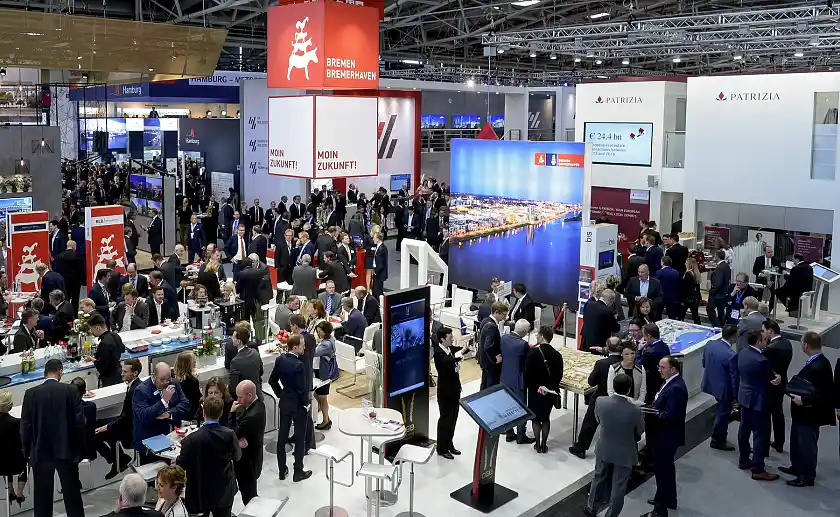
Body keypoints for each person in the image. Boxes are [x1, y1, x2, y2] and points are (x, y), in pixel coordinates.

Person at [20, 359, 85, 517]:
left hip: (40, 452)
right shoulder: (71, 391)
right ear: (60, 371)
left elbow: (25, 427)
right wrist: (78, 451)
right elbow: (79, 424)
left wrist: (28, 452)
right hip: (66, 451)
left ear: (45, 373)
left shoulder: (31, 394)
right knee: (72, 497)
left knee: (42, 499)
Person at [779, 331, 835, 487]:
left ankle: (807, 476)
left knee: (806, 445)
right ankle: (797, 467)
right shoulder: (818, 362)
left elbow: (823, 394)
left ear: (805, 345)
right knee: (797, 442)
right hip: (802, 414)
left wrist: (802, 400)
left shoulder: (819, 366)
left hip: (809, 414)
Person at [583, 373, 645, 517]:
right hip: (625, 453)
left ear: (613, 386)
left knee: (598, 477)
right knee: (619, 486)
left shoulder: (600, 401)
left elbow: (598, 419)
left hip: (604, 448)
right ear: (629, 389)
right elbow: (640, 430)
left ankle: (591, 507)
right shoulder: (635, 410)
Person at [176, 396, 242, 517]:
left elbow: (181, 465)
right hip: (223, 491)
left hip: (199, 492)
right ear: (221, 413)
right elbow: (237, 456)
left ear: (203, 412)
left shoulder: (189, 440)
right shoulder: (229, 435)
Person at [641, 356, 688, 517]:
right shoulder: (670, 382)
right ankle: (669, 500)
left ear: (673, 369)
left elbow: (671, 415)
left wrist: (651, 413)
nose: (659, 370)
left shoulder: (676, 388)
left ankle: (659, 510)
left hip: (665, 437)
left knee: (662, 474)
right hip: (664, 436)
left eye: (662, 368)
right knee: (667, 470)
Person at [737, 329, 782, 481]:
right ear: (758, 342)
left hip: (744, 397)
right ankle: (758, 469)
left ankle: (744, 459)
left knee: (744, 429)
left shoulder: (743, 353)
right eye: (763, 339)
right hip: (759, 401)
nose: (766, 341)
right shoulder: (762, 360)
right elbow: (772, 379)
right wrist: (777, 377)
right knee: (760, 435)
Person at [270, 334, 314, 482]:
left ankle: (282, 470)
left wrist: (281, 394)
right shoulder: (298, 365)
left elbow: (272, 381)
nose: (304, 347)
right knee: (300, 438)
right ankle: (298, 471)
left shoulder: (280, 360)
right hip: (298, 406)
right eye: (302, 345)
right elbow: (301, 389)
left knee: (282, 437)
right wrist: (306, 404)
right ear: (295, 347)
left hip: (285, 403)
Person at [569, 337, 622, 459]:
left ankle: (581, 448)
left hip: (601, 397)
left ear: (607, 347)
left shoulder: (601, 364)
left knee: (589, 423)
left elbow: (591, 382)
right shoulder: (624, 362)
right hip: (619, 398)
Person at [133, 362, 191, 464]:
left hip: (173, 438)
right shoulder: (141, 390)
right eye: (162, 379)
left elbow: (185, 405)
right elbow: (143, 416)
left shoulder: (174, 383)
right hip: (150, 442)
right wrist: (163, 401)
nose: (166, 382)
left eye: (168, 379)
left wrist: (169, 414)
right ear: (153, 376)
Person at [95, 359, 142, 479]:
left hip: (130, 429)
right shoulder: (135, 386)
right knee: (98, 424)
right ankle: (120, 459)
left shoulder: (134, 391)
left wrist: (108, 426)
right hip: (126, 422)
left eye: (125, 371)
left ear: (135, 373)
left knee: (95, 433)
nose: (121, 373)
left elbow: (127, 418)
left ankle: (116, 459)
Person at [524, 326, 564, 453]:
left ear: (541, 336)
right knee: (546, 418)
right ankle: (544, 444)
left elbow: (528, 375)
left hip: (535, 392)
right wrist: (549, 387)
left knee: (536, 419)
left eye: (538, 335)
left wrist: (537, 387)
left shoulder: (533, 353)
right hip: (549, 392)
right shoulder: (557, 355)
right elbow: (559, 375)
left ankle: (537, 444)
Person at [701, 324, 739, 451]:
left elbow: (704, 363)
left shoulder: (710, 344)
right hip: (724, 390)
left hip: (710, 384)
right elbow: (734, 380)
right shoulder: (731, 356)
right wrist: (736, 397)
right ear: (733, 337)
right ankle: (718, 441)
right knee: (723, 415)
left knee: (721, 412)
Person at [231, 380, 266, 505]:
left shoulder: (252, 415)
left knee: (249, 496)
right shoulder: (259, 404)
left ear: (250, 395)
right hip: (253, 458)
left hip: (247, 463)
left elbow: (233, 433)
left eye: (240, 397)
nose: (238, 401)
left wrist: (232, 413)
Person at [500, 319, 535, 444]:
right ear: (525, 331)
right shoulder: (523, 345)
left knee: (506, 407)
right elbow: (528, 362)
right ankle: (521, 435)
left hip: (505, 377)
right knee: (521, 408)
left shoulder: (504, 339)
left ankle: (509, 433)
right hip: (518, 380)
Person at [761, 319, 793, 453]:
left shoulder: (769, 349)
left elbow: (764, 368)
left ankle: (764, 446)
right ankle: (779, 443)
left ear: (770, 331)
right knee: (778, 414)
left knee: (766, 417)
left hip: (770, 387)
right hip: (782, 384)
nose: (762, 334)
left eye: (763, 331)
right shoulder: (787, 343)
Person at [433, 327, 463, 459]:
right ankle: (442, 448)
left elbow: (458, 351)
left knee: (453, 419)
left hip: (455, 390)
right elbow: (447, 362)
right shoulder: (438, 354)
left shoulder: (449, 349)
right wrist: (459, 356)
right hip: (445, 393)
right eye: (450, 337)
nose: (452, 339)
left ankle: (449, 443)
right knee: (445, 421)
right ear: (442, 339)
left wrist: (465, 348)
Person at [0, 391, 27, 507]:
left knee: (4, 458)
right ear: (9, 405)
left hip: (1, 464)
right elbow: (22, 443)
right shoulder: (16, 423)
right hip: (16, 464)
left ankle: (10, 490)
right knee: (24, 459)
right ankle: (20, 493)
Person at [86, 313, 125, 387]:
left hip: (109, 379)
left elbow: (101, 367)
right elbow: (122, 349)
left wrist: (91, 358)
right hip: (119, 372)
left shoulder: (103, 344)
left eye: (91, 329)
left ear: (98, 328)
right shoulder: (115, 335)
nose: (91, 331)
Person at [228, 325, 264, 400]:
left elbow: (233, 388)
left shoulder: (235, 361)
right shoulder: (255, 352)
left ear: (239, 341)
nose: (231, 338)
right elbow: (261, 372)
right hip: (258, 396)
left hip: (245, 400)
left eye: (233, 337)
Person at [637, 323, 670, 404]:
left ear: (648, 336)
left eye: (644, 336)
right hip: (663, 379)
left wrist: (639, 351)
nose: (643, 338)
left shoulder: (650, 352)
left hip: (652, 381)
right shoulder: (664, 346)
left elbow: (638, 364)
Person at [313, 320, 338, 430]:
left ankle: (326, 421)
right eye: (317, 331)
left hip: (323, 373)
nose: (318, 334)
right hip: (323, 372)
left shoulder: (326, 344)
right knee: (319, 396)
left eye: (320, 331)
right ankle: (325, 418)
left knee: (322, 398)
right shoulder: (331, 339)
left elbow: (314, 353)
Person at [478, 302, 507, 389]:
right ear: (497, 312)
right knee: (491, 387)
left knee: (484, 385)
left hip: (484, 360)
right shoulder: (492, 327)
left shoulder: (485, 320)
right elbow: (488, 346)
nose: (505, 317)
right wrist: (494, 359)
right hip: (490, 364)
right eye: (504, 315)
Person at [580, 289, 620, 353]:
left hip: (585, 342)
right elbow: (616, 328)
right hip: (599, 346)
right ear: (610, 299)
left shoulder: (589, 305)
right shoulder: (607, 312)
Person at [70, 377, 97, 461]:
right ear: (85, 392)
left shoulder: (66, 408)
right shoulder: (91, 406)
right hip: (88, 450)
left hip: (71, 452)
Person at [705, 249, 732, 327]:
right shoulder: (726, 266)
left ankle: (716, 325)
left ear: (717, 256)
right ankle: (722, 326)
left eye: (715, 256)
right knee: (721, 311)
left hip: (717, 294)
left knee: (710, 309)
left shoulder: (720, 268)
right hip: (723, 292)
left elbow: (718, 283)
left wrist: (712, 291)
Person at [56, 240, 83, 312]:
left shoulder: (59, 256)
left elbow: (57, 269)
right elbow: (81, 270)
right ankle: (74, 314)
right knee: (75, 299)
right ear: (74, 246)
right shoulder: (77, 256)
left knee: (64, 299)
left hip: (63, 281)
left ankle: (65, 313)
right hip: (75, 282)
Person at [175, 352, 202, 421]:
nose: (195, 362)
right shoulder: (192, 381)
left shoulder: (175, 380)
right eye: (193, 361)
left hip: (180, 413)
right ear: (187, 364)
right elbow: (197, 399)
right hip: (192, 414)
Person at [677, 256, 702, 324]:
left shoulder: (687, 274)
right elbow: (697, 288)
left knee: (681, 315)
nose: (685, 263)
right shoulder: (697, 274)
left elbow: (685, 288)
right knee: (695, 316)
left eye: (686, 262)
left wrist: (682, 299)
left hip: (687, 299)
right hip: (694, 298)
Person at [371, 231, 388, 297]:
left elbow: (381, 263)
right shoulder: (379, 247)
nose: (373, 239)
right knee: (375, 290)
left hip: (378, 273)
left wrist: (376, 271)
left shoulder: (381, 249)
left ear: (378, 239)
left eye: (374, 238)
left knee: (377, 291)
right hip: (377, 272)